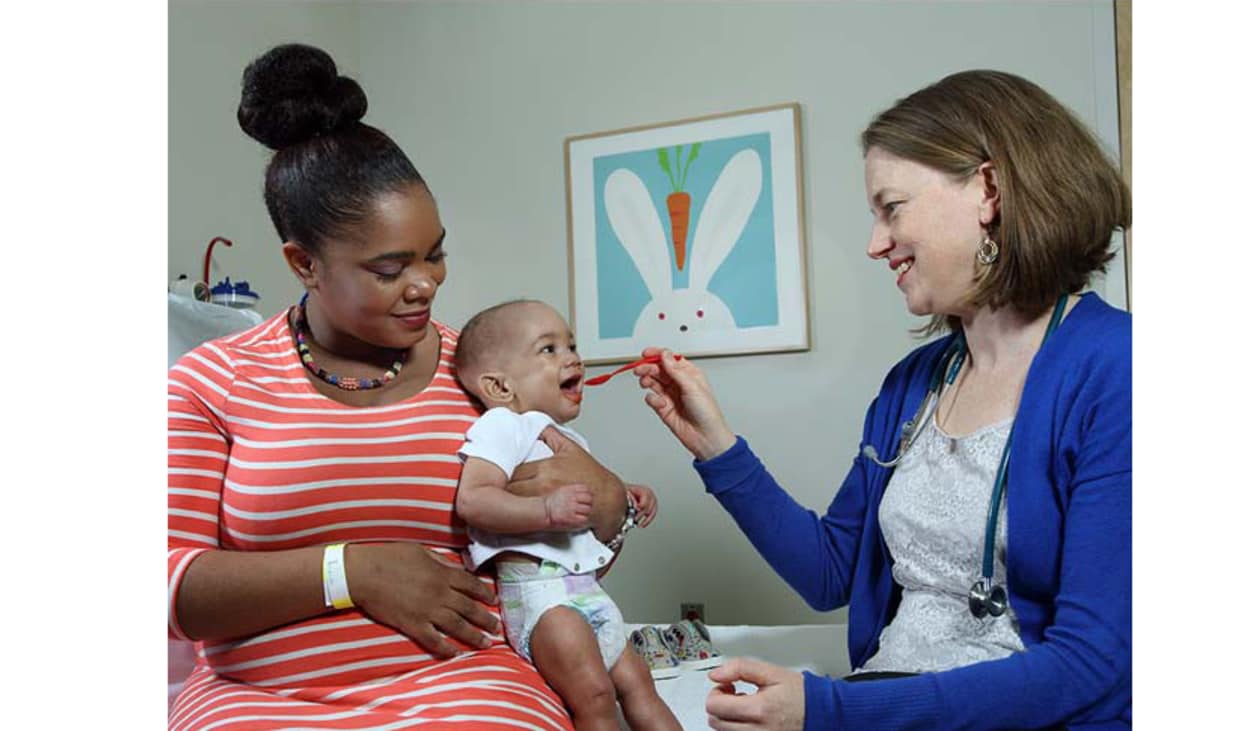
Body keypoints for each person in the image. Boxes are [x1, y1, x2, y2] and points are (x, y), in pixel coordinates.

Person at [633, 69, 1131, 730]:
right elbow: (830, 572)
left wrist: (834, 708)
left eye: (891, 207)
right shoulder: (913, 383)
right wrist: (714, 444)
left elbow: (1093, 665)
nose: (874, 242)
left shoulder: (1119, 369)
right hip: (877, 701)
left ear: (987, 189)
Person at [167, 44, 632, 730]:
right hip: (262, 700)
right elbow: (172, 586)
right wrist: (350, 572)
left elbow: (591, 527)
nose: (426, 284)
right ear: (305, 263)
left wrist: (601, 496)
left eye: (435, 252)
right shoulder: (212, 382)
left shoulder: (481, 372)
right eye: (390, 268)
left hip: (464, 685)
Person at [452, 299, 681, 731]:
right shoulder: (502, 425)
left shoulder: (570, 438)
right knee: (595, 695)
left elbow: (589, 510)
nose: (573, 357)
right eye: (549, 349)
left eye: (571, 345)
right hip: (542, 599)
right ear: (500, 387)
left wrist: (625, 496)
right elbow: (474, 499)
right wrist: (545, 510)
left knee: (640, 683)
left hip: (587, 592)